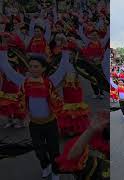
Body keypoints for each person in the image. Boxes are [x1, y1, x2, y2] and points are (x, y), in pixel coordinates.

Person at [0, 47, 70, 180]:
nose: (33, 69)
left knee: (54, 150)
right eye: (31, 66)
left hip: (50, 123)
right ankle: (45, 166)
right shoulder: (24, 82)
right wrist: (3, 48)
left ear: (43, 68)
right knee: (39, 151)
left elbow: (62, 68)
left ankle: (56, 171)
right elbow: (6, 68)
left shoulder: (50, 82)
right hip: (34, 124)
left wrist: (65, 50)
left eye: (36, 66)